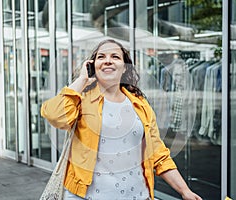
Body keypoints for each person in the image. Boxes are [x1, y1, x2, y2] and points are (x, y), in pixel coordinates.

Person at [41, 39, 202, 200]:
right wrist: (82, 80)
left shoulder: (139, 103)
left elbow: (158, 154)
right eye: (101, 57)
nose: (108, 61)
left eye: (115, 57)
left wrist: (184, 190)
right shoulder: (81, 99)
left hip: (138, 195)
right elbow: (55, 115)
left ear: (125, 66)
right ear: (92, 65)